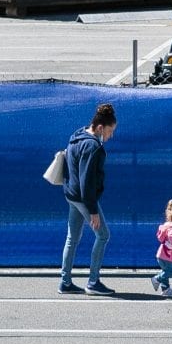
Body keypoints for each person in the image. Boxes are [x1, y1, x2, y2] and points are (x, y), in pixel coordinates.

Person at [59, 102, 117, 295]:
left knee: (72, 237)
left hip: (71, 194)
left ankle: (65, 282)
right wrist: (92, 210)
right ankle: (93, 281)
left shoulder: (77, 135)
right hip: (84, 198)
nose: (111, 136)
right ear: (100, 127)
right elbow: (87, 182)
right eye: (110, 131)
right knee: (103, 235)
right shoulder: (94, 147)